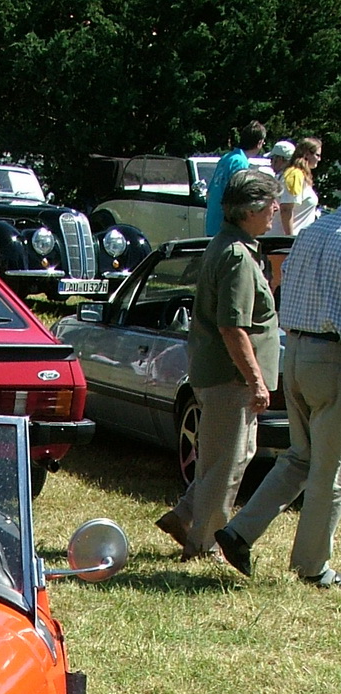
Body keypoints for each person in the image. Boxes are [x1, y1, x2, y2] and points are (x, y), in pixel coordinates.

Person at [156, 170, 280, 561]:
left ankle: (185, 517)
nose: (276, 210)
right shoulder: (236, 257)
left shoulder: (231, 246)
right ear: (250, 210)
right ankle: (201, 542)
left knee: (225, 458)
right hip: (230, 378)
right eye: (270, 204)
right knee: (226, 466)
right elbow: (232, 327)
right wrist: (256, 381)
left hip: (222, 376)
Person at [216, 212, 341, 585]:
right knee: (328, 470)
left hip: (298, 350)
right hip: (332, 355)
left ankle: (239, 532)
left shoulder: (314, 229)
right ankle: (311, 567)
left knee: (300, 457)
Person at [204, 121, 266, 237]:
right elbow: (239, 196)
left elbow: (209, 193)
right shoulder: (240, 162)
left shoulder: (227, 158)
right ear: (259, 143)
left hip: (213, 224)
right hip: (226, 229)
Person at [278, 137, 322, 236]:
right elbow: (286, 209)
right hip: (283, 243)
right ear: (306, 154)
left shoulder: (301, 175)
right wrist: (289, 238)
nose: (319, 159)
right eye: (317, 155)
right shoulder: (295, 174)